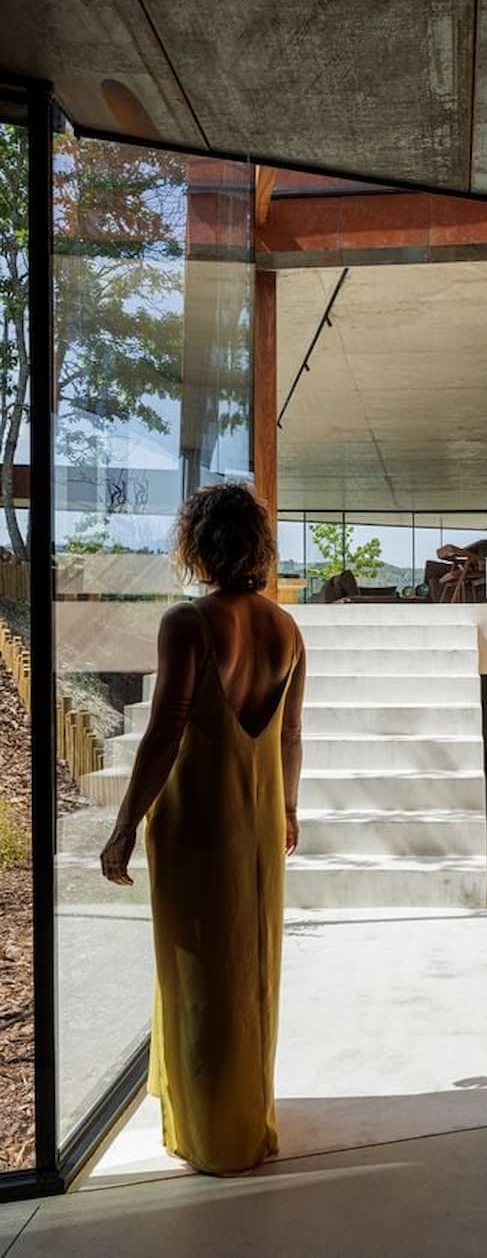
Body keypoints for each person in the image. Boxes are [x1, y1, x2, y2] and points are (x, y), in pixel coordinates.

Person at [99, 483, 305, 1175]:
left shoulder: (186, 622)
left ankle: (211, 1132)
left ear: (196, 543)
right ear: (257, 545)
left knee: (198, 971)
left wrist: (125, 825)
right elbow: (292, 735)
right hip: (257, 825)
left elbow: (164, 732)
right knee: (250, 969)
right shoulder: (286, 629)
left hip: (197, 821)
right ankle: (249, 1117)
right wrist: (288, 811)